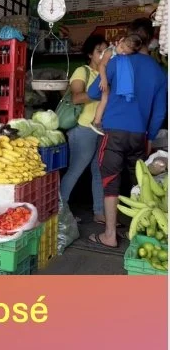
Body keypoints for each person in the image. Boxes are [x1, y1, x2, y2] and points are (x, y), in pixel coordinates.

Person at [89, 30, 168, 249]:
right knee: (140, 184)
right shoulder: (159, 71)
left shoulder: (117, 62)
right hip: (140, 135)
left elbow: (94, 92)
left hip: (114, 133)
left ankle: (110, 235)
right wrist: (149, 137)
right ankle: (139, 233)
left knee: (110, 181)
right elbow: (160, 111)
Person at [61, 36, 110, 239]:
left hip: (102, 129)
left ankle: (99, 212)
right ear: (90, 54)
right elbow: (76, 97)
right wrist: (100, 91)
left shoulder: (107, 73)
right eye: (99, 51)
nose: (103, 55)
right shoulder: (83, 71)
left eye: (106, 51)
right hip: (83, 129)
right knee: (75, 170)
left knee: (99, 172)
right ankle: (60, 210)